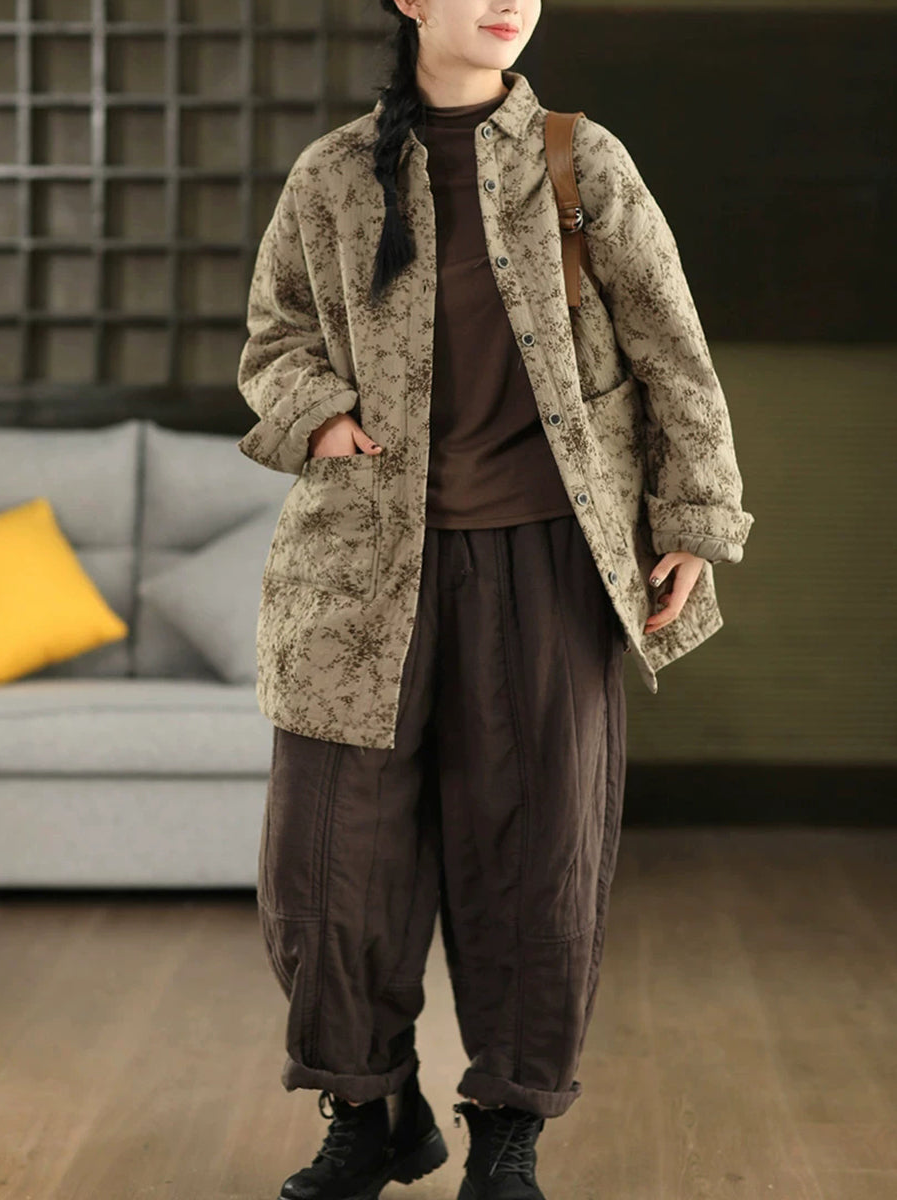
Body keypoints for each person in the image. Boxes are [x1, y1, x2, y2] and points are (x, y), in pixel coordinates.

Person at [236, 2, 754, 1198]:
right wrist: (322, 414)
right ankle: (368, 1108)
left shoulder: (582, 160)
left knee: (536, 858)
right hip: (359, 568)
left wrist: (695, 520)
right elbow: (274, 337)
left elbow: (674, 350)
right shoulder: (331, 174)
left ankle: (509, 1128)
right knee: (328, 865)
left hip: (548, 564)